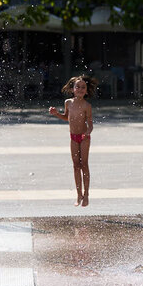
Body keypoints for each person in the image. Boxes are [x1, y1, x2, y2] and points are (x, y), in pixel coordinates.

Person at [48, 75, 96, 207]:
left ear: (86, 91)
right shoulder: (68, 103)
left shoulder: (87, 106)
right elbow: (66, 117)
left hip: (84, 137)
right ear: (72, 89)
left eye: (83, 87)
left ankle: (86, 195)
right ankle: (78, 194)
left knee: (84, 165)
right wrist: (56, 113)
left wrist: (87, 132)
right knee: (76, 166)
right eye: (77, 87)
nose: (80, 89)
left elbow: (90, 124)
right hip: (73, 137)